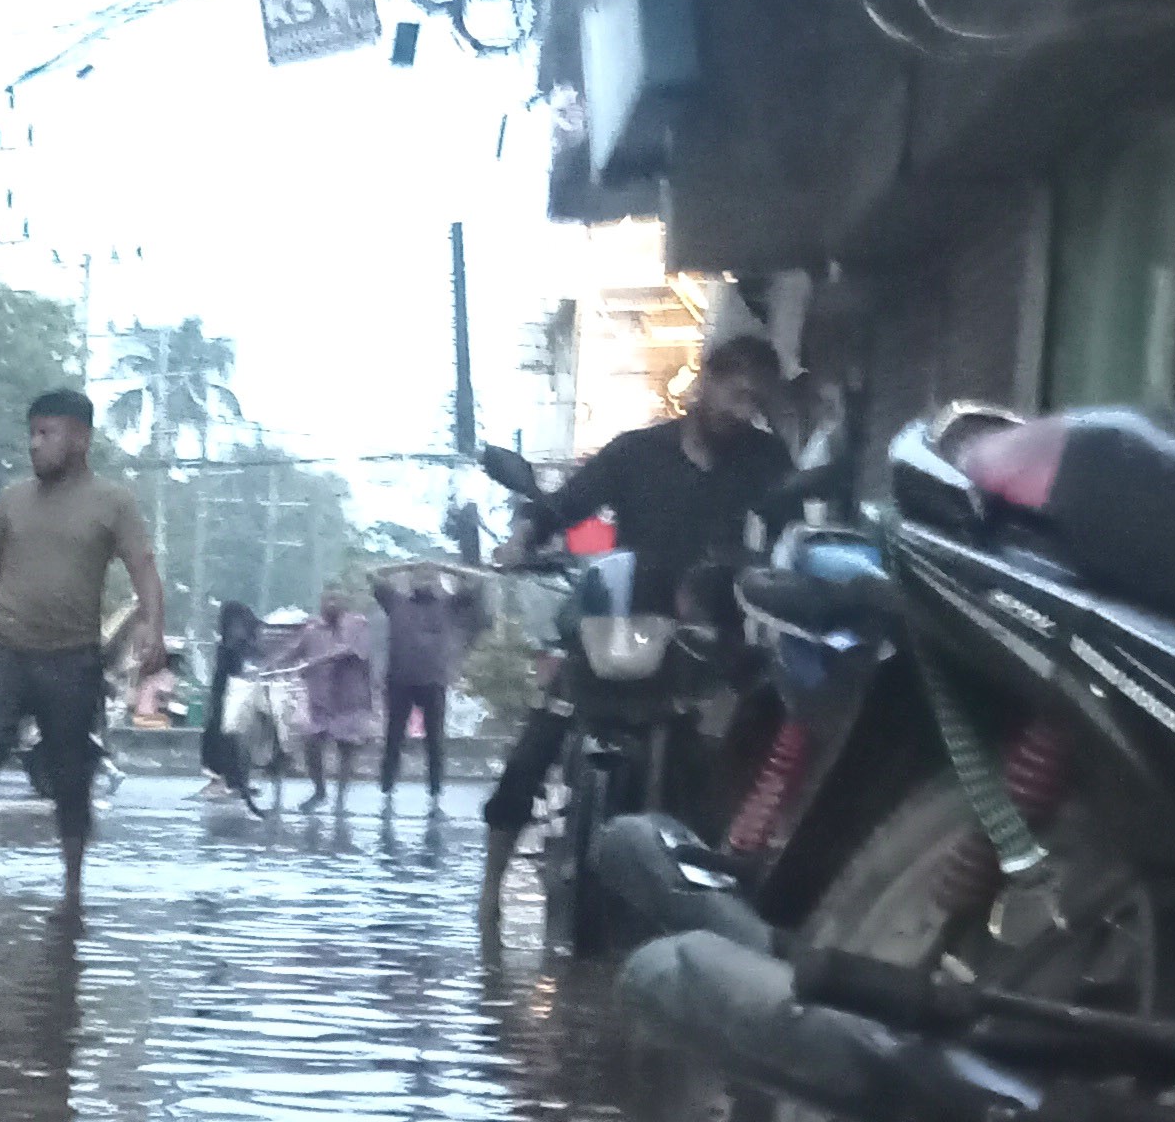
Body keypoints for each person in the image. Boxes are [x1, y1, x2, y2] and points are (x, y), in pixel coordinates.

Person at [479, 334, 798, 923]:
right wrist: (522, 539)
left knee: (745, 750)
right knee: (538, 744)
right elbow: (564, 506)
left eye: (755, 398)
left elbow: (791, 533)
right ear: (704, 381)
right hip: (621, 624)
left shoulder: (767, 460)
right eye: (734, 390)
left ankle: (735, 894)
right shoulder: (635, 452)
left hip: (710, 636)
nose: (741, 408)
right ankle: (489, 894)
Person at [0, 389, 170, 904]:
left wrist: (154, 623)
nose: (35, 445)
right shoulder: (13, 500)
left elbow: (143, 567)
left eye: (48, 434)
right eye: (32, 434)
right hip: (5, 652)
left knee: (70, 773)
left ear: (80, 439)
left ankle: (73, 886)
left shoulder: (113, 502)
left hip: (71, 658)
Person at [371, 562, 488, 804]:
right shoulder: (396, 602)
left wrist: (443, 567)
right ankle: (386, 789)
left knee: (434, 739)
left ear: (437, 580)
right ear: (411, 579)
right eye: (419, 576)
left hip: (434, 680)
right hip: (400, 678)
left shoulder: (450, 605)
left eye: (429, 576)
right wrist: (410, 564)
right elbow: (371, 573)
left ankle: (435, 792)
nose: (424, 580)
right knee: (393, 736)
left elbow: (480, 579)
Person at [278, 584, 378, 808]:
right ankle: (319, 792)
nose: (331, 604)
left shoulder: (358, 625)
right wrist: (270, 665)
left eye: (336, 600)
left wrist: (319, 660)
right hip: (320, 700)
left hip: (349, 701)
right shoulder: (312, 630)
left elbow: (355, 650)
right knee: (311, 744)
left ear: (344, 603)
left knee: (346, 750)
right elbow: (293, 652)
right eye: (327, 600)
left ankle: (341, 798)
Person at [195, 598, 263, 807]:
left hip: (240, 695)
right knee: (222, 737)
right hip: (225, 696)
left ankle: (237, 780)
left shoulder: (245, 645)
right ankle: (221, 779)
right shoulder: (227, 646)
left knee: (239, 741)